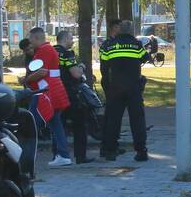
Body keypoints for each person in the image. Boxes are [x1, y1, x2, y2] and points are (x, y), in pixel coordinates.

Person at [100, 19, 148, 162]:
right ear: (131, 31)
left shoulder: (108, 45)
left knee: (113, 121)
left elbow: (104, 65)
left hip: (115, 89)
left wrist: (107, 84)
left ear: (119, 30)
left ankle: (110, 151)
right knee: (137, 121)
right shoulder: (136, 45)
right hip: (134, 88)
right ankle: (141, 151)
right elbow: (145, 58)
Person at [27, 27, 72, 167]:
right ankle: (63, 154)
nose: (30, 43)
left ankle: (24, 155)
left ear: (36, 38)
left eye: (31, 40)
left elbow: (42, 72)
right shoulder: (48, 50)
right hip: (53, 89)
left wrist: (26, 79)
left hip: (47, 92)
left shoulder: (44, 50)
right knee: (55, 123)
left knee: (31, 123)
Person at [56, 30, 93, 165]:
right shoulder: (67, 54)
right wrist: (81, 67)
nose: (72, 41)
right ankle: (80, 156)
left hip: (55, 93)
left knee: (59, 125)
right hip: (70, 93)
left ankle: (59, 155)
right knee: (79, 125)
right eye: (71, 39)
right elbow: (76, 74)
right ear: (65, 40)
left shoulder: (51, 52)